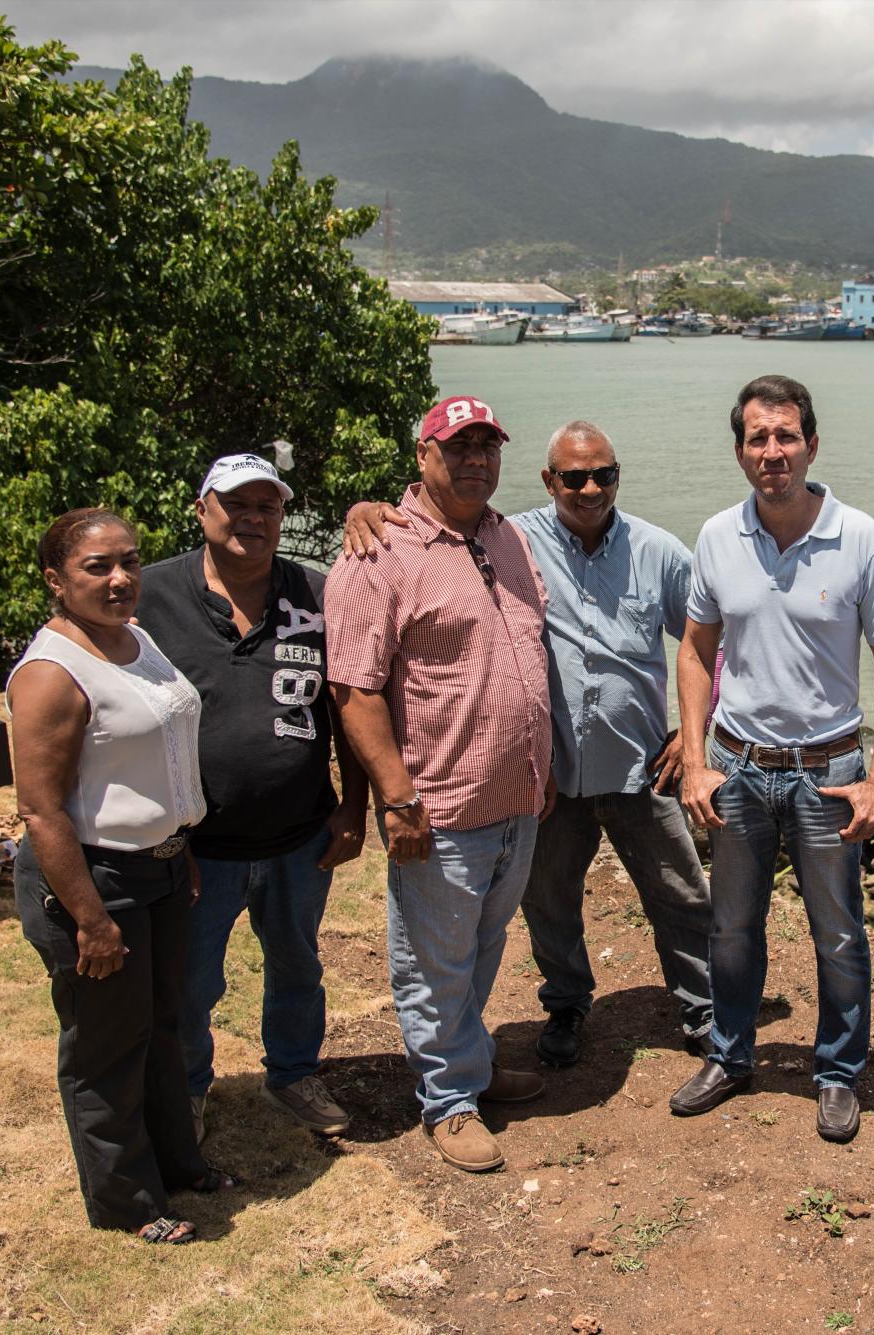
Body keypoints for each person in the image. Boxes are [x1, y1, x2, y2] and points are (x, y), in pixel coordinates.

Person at [343, 421, 712, 1067]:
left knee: (680, 893)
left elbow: (712, 643)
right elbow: (438, 522)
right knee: (549, 902)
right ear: (549, 481)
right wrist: (366, 510)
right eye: (574, 477)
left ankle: (706, 1009)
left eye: (605, 474)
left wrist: (693, 728)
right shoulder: (516, 538)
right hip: (549, 777)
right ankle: (567, 1003)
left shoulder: (660, 552)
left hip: (641, 764)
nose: (590, 487)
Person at [670, 373, 874, 1144]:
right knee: (733, 926)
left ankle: (838, 1071)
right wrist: (693, 758)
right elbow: (695, 650)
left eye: (785, 436)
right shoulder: (716, 536)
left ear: (811, 443)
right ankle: (731, 1054)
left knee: (838, 930)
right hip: (737, 767)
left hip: (830, 771)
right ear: (740, 450)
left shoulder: (861, 537)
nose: (772, 451)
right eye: (757, 438)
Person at [325, 395, 553, 1174]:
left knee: (482, 948)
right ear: (423, 454)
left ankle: (471, 1062)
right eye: (457, 446)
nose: (475, 459)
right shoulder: (377, 552)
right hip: (439, 804)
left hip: (516, 799)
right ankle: (449, 1100)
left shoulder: (509, 535)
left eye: (487, 445)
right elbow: (353, 689)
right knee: (432, 960)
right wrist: (396, 796)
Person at [7, 507, 230, 1244]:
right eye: (97, 567)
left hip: (160, 870)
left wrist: (179, 843)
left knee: (163, 1025)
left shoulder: (135, 639)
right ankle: (126, 1200)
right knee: (107, 1044)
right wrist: (91, 918)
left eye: (129, 561)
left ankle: (178, 1162)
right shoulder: (52, 673)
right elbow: (41, 812)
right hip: (96, 880)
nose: (120, 578)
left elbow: (155, 758)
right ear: (56, 579)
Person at [135, 453, 368, 1143]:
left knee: (296, 963)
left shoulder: (316, 593)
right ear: (203, 508)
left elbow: (349, 704)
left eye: (267, 506)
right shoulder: (152, 597)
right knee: (192, 979)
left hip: (299, 835)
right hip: (198, 845)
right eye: (237, 504)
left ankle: (294, 1072)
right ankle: (188, 1088)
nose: (253, 518)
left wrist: (354, 808)